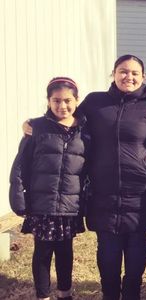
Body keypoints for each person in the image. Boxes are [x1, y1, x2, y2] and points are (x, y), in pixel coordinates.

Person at [78, 55, 146, 299]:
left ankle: (132, 293)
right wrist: (36, 125)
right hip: (103, 191)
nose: (128, 77)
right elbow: (68, 123)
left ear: (143, 77)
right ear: (113, 74)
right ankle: (110, 294)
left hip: (141, 192)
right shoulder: (94, 102)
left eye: (134, 73)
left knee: (136, 245)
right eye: (123, 71)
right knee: (108, 249)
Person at [10, 77, 87, 300]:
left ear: (77, 100)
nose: (62, 106)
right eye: (56, 101)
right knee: (42, 253)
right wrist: (18, 198)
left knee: (65, 252)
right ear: (48, 101)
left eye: (67, 100)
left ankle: (65, 293)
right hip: (42, 204)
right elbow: (20, 166)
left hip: (69, 205)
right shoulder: (36, 128)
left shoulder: (85, 130)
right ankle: (42, 295)